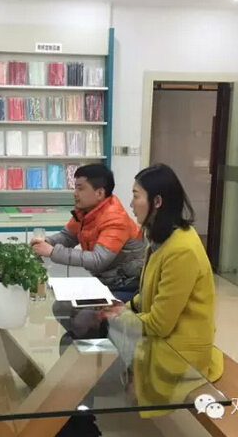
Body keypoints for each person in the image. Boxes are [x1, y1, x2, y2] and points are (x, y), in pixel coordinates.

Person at [122, 163, 224, 415]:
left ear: (157, 202)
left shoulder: (181, 250)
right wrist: (124, 307)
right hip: (169, 338)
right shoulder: (163, 238)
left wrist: (117, 318)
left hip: (180, 350)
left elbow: (159, 325)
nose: (131, 203)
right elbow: (150, 294)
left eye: (136, 196)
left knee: (109, 339)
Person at [32, 164, 145, 302]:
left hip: (126, 285)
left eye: (80, 188)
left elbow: (98, 260)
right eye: (75, 188)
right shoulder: (85, 211)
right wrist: (47, 242)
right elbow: (68, 236)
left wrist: (52, 251)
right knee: (62, 304)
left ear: (100, 193)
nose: (75, 193)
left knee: (71, 309)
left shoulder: (115, 219)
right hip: (105, 280)